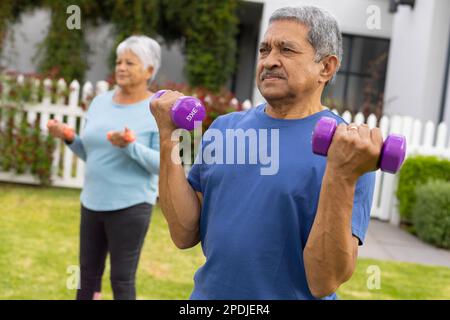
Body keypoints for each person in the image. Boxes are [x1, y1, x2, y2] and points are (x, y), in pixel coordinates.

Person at [151, 6, 379, 299]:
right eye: (264, 50)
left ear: (326, 67)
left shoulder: (348, 150)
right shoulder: (225, 129)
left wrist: (341, 174)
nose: (270, 61)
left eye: (286, 50)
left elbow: (325, 281)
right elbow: (184, 234)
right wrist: (168, 136)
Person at [47, 35, 161, 300]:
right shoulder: (100, 102)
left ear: (149, 71)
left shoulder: (156, 109)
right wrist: (69, 137)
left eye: (130, 62)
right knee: (86, 276)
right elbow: (92, 154)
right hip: (92, 203)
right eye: (119, 61)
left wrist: (130, 145)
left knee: (121, 280)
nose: (120, 67)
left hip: (131, 206)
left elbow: (161, 165)